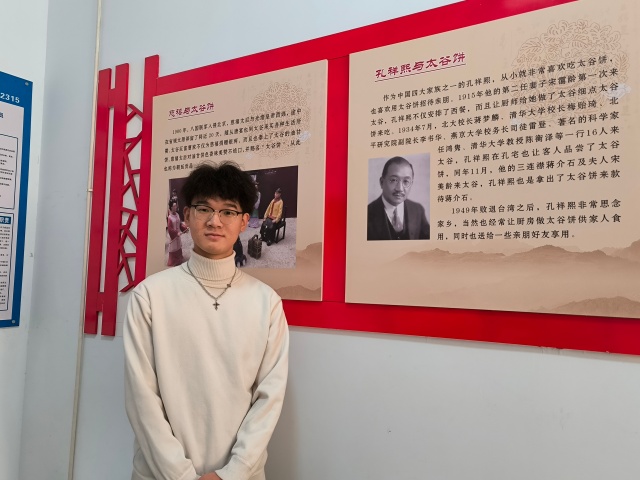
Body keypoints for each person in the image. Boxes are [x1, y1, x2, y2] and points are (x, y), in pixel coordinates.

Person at [124, 161, 289, 480]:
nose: (215, 221)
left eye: (228, 211)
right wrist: (181, 475)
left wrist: (233, 473)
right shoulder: (150, 296)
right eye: (204, 209)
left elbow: (269, 398)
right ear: (187, 216)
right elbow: (141, 398)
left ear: (244, 222)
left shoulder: (266, 302)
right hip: (160, 473)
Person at [367, 156, 430, 240]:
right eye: (393, 180)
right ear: (382, 182)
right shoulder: (367, 213)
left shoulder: (418, 210)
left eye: (406, 181)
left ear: (411, 183)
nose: (400, 189)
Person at [166, 199, 185, 266]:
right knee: (173, 248)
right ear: (171, 207)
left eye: (176, 206)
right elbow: (170, 229)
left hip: (178, 236)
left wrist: (184, 228)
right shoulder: (170, 218)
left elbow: (180, 224)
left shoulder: (177, 214)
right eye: (174, 206)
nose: (175, 207)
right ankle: (173, 261)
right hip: (174, 237)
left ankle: (179, 260)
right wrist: (176, 233)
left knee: (178, 246)